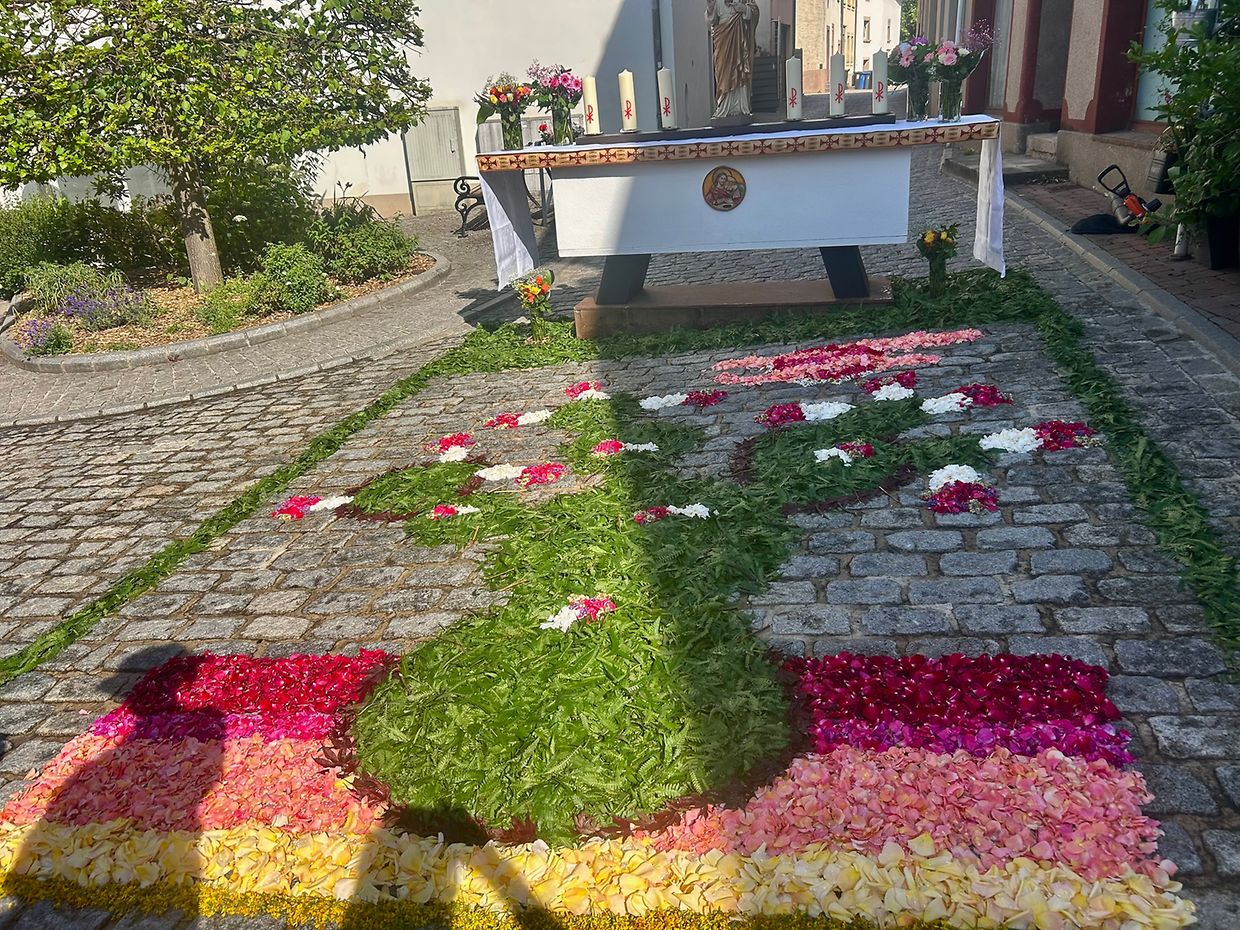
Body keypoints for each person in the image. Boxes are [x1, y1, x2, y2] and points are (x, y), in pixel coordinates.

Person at [706, 0, 760, 118]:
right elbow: (711, 22)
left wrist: (745, 9)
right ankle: (724, 105)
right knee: (722, 71)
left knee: (740, 69)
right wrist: (710, 8)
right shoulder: (717, 2)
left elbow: (755, 12)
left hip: (740, 41)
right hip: (723, 41)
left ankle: (741, 106)